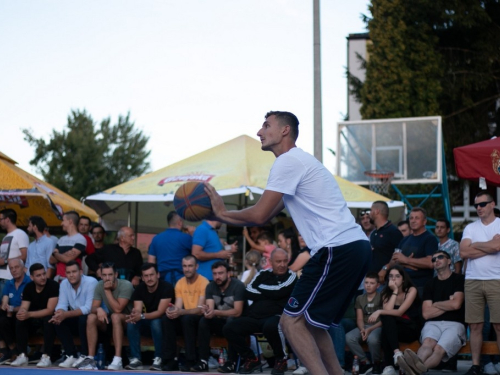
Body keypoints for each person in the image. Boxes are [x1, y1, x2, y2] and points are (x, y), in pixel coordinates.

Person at [204, 111, 371, 374]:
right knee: (313, 324)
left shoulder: (288, 162)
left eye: (266, 125)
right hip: (354, 247)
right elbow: (266, 214)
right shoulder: (300, 162)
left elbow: (258, 214)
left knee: (290, 322)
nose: (259, 132)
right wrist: (222, 215)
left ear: (285, 130)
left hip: (337, 248)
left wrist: (221, 213)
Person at [221, 248, 297, 374]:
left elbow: (280, 291)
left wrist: (261, 289)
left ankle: (281, 360)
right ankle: (251, 358)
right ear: (270, 261)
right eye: (278, 261)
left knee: (271, 326)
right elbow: (249, 291)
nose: (282, 264)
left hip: (276, 315)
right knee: (229, 328)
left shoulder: (291, 276)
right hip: (255, 316)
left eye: (285, 261)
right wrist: (272, 294)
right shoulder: (262, 274)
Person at [398, 250, 465, 375]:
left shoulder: (459, 279)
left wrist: (435, 304)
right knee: (427, 344)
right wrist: (448, 303)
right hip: (433, 323)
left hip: (454, 324)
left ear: (449, 261)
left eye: (440, 257)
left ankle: (412, 371)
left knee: (439, 349)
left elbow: (456, 304)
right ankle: (414, 371)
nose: (436, 260)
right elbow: (426, 314)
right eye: (433, 259)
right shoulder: (430, 284)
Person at [459, 192, 500, 375]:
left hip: (496, 279)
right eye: (476, 205)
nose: (479, 208)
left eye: (483, 204)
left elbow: (497, 247)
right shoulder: (470, 227)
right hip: (473, 280)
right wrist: (489, 245)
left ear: (493, 204)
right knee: (474, 325)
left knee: (498, 325)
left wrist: (475, 245)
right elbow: (463, 252)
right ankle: (476, 365)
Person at [74, 262, 134, 370]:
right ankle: (90, 358)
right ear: (101, 276)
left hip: (130, 321)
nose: (107, 278)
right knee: (91, 317)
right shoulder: (99, 285)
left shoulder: (126, 285)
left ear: (116, 275)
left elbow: (118, 309)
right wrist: (99, 309)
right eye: (104, 275)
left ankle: (117, 359)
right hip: (111, 320)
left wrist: (107, 291)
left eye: (110, 275)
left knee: (116, 316)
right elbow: (92, 308)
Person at [368, 265, 421, 375]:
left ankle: (389, 365)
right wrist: (395, 291)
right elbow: (388, 311)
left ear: (403, 278)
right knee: (387, 322)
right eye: (391, 276)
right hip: (394, 329)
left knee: (386, 324)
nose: (393, 279)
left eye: (397, 276)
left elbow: (400, 312)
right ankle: (396, 356)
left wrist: (379, 311)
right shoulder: (385, 292)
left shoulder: (411, 290)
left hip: (410, 328)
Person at [193, 261, 246, 371]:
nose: (217, 277)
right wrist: (207, 311)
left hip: (238, 324)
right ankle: (203, 360)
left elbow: (237, 311)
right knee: (204, 321)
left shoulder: (238, 286)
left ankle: (231, 362)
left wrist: (215, 312)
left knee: (231, 320)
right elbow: (210, 309)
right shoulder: (211, 286)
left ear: (228, 274)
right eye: (215, 274)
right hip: (221, 323)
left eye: (220, 273)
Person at [126, 263, 176, 371]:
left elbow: (160, 312)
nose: (149, 278)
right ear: (142, 278)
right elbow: (138, 310)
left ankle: (159, 357)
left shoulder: (166, 287)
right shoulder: (140, 288)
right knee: (131, 322)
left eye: (151, 275)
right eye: (146, 276)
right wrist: (135, 314)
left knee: (156, 322)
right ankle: (136, 359)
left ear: (157, 275)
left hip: (164, 322)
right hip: (147, 320)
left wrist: (141, 315)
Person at [50, 261, 98, 368]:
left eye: (74, 272)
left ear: (81, 272)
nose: (71, 275)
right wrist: (59, 313)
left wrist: (65, 314)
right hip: (75, 318)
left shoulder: (91, 282)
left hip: (92, 320)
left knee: (83, 318)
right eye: (68, 272)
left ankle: (85, 355)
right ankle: (71, 355)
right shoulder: (64, 284)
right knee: (56, 320)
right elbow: (62, 304)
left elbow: (88, 308)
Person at [10, 263, 59, 368]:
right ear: (32, 277)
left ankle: (47, 356)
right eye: (38, 275)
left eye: (44, 274)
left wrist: (29, 314)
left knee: (49, 319)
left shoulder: (53, 285)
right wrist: (21, 313)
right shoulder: (29, 287)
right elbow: (24, 307)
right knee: (20, 320)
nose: (43, 277)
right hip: (34, 319)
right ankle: (22, 355)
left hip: (48, 318)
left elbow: (50, 310)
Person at [166, 255, 209, 371]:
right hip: (186, 317)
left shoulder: (204, 282)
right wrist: (172, 311)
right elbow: (178, 306)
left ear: (196, 267)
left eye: (190, 266)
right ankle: (171, 359)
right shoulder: (180, 283)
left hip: (199, 319)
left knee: (187, 319)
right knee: (166, 319)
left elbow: (200, 309)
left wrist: (181, 312)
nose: (187, 269)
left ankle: (190, 360)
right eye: (184, 266)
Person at [390, 207, 438, 294]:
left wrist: (406, 260)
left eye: (417, 218)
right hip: (403, 286)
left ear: (424, 221)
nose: (413, 220)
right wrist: (406, 263)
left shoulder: (430, 239)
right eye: (411, 218)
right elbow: (394, 260)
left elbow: (431, 263)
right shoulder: (405, 239)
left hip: (421, 287)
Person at [346, 272, 383, 375]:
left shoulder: (382, 297)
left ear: (378, 285)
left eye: (372, 283)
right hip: (364, 326)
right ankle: (365, 362)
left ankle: (376, 363)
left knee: (373, 339)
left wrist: (370, 330)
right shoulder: (360, 298)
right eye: (366, 282)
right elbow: (359, 318)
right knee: (349, 337)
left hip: (378, 326)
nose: (368, 285)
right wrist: (362, 329)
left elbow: (384, 320)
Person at [148, 211, 193, 285]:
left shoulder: (156, 238)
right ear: (180, 222)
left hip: (162, 278)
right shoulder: (186, 238)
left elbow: (151, 262)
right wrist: (192, 235)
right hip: (182, 278)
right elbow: (196, 254)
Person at [0, 259, 31, 364]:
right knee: (2, 318)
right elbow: (5, 300)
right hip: (11, 315)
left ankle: (20, 353)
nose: (14, 270)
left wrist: (12, 309)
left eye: (16, 267)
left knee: (20, 317)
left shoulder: (29, 283)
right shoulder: (9, 283)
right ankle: (10, 351)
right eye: (11, 268)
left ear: (23, 268)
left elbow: (25, 307)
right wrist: (5, 306)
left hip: (27, 316)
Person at [367, 201, 403, 281]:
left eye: (371, 210)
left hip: (386, 281)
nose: (369, 214)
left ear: (377, 211)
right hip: (371, 280)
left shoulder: (393, 231)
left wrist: (385, 268)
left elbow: (398, 255)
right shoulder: (373, 233)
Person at [50, 211, 87, 282]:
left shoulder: (80, 239)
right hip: (59, 279)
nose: (61, 223)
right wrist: (62, 255)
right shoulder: (61, 239)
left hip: (73, 280)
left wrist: (56, 254)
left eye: (63, 220)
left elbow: (68, 259)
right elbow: (51, 260)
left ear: (70, 221)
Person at [0, 209, 29, 291]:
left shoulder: (20, 234)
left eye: (1, 219)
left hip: (10, 277)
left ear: (7, 219)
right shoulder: (6, 237)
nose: (0, 222)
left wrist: (5, 261)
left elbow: (24, 256)